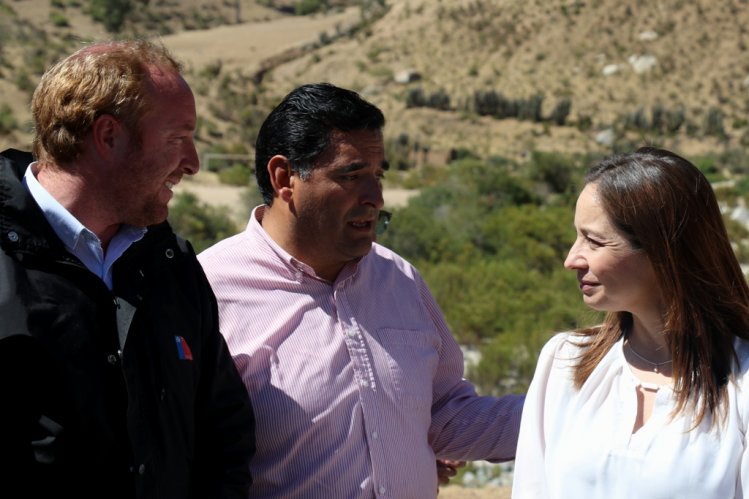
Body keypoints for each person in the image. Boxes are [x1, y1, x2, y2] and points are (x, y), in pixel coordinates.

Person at [197, 82, 525, 497]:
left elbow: (443, 415)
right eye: (351, 175)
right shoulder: (208, 293)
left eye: (378, 174)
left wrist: (572, 412)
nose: (375, 197)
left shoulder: (400, 280)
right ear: (284, 178)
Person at [0, 40, 255, 498]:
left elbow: (223, 433)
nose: (193, 163)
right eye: (178, 138)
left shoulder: (171, 266)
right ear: (108, 136)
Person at [512, 147, 749, 498]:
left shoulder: (741, 382)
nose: (571, 259)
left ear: (662, 252)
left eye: (593, 241)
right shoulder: (565, 363)